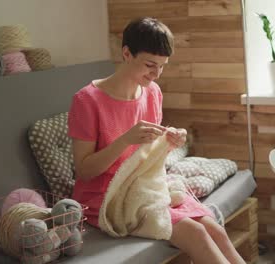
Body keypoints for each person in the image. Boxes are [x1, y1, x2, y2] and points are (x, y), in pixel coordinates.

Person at [67, 17, 245, 264]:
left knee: (215, 230)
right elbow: (84, 171)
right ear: (126, 53)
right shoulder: (87, 100)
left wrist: (171, 138)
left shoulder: (151, 92)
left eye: (162, 66)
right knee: (196, 233)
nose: (156, 74)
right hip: (105, 197)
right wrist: (124, 140)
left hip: (144, 186)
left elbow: (149, 151)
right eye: (150, 65)